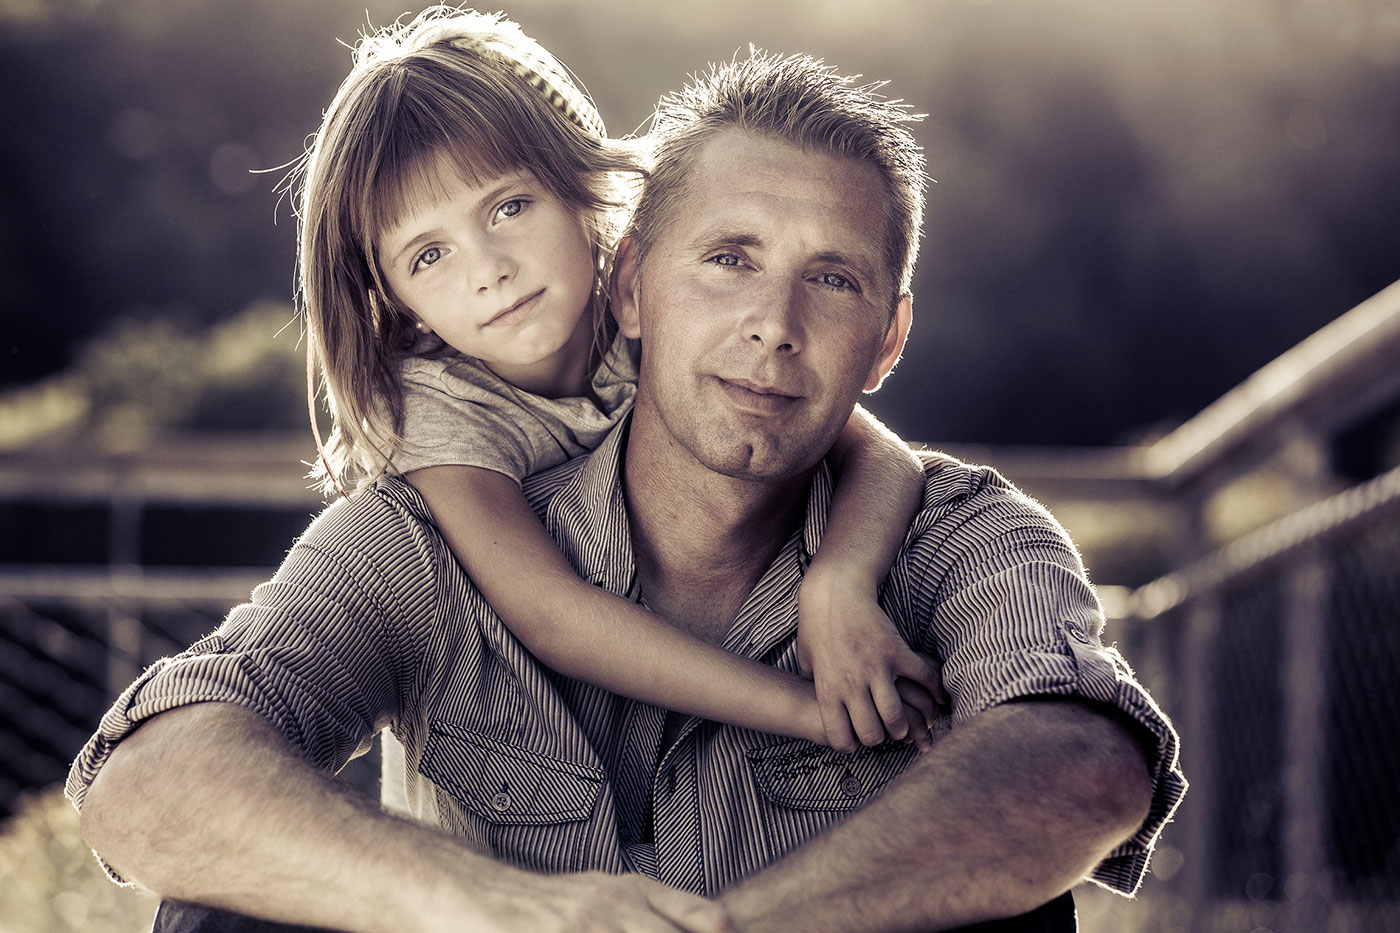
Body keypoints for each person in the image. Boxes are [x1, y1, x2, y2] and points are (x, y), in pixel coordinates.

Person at [68, 11, 1187, 933]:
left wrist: (838, 587)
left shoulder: (963, 534)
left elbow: (1079, 764)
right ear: (634, 287)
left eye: (831, 281)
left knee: (999, 879)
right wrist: (511, 911)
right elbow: (150, 781)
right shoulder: (433, 505)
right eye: (729, 259)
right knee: (227, 903)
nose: (770, 326)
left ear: (888, 341)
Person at [298, 7, 941, 754]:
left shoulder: (654, 308)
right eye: (429, 256)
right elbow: (552, 614)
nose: (489, 269)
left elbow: (880, 453)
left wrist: (838, 586)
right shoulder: (436, 413)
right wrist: (807, 711)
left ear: (582, 189)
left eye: (509, 207)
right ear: (391, 295)